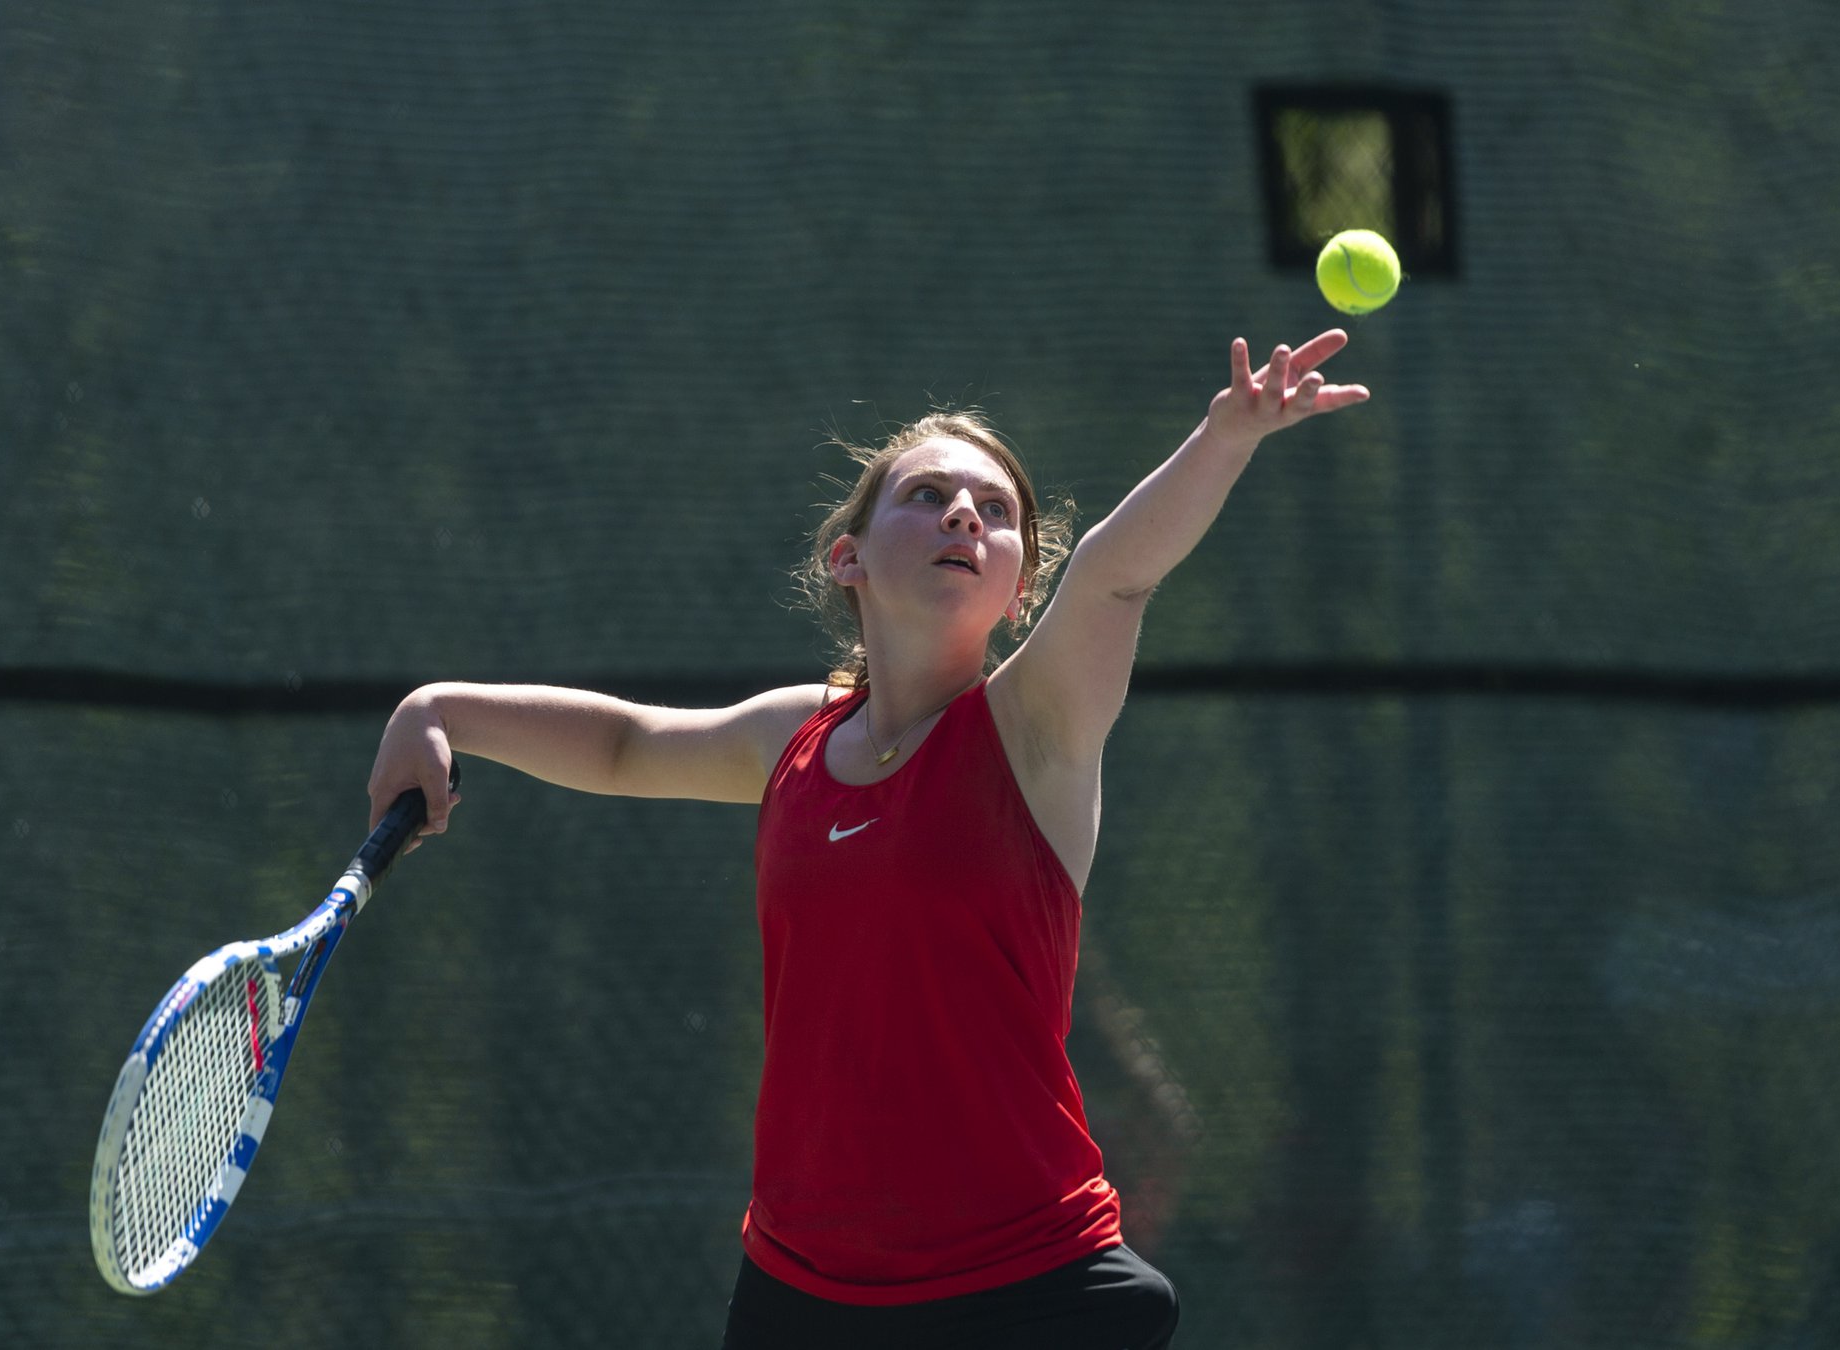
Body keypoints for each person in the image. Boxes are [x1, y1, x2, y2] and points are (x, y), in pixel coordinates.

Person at [365, 332, 1369, 1348]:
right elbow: (626, 744)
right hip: (802, 1293)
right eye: (927, 495)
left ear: (1020, 586)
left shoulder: (1035, 730)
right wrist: (440, 707)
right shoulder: (792, 737)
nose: (964, 514)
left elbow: (1115, 573)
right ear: (847, 557)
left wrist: (1225, 435)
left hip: (1028, 1289)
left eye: (997, 511)